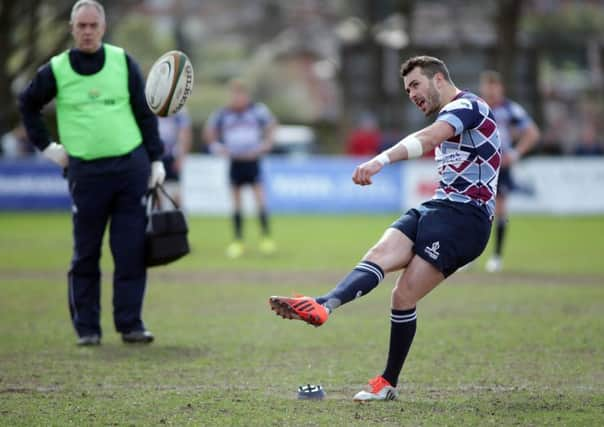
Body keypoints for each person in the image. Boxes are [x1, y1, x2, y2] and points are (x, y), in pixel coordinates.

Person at [269, 56, 501, 401]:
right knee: (379, 255)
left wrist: (380, 159)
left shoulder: (470, 106)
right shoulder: (451, 112)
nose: (411, 94)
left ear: (439, 79)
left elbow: (429, 137)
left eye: (416, 85)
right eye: (407, 89)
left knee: (402, 294)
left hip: (467, 219)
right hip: (438, 208)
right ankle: (322, 305)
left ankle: (387, 383)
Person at [18, 0, 165, 346]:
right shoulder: (56, 69)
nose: (86, 31)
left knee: (130, 251)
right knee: (86, 252)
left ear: (102, 28)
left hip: (130, 168)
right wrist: (48, 147)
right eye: (80, 25)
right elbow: (27, 103)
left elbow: (145, 114)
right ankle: (87, 329)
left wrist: (157, 160)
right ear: (72, 28)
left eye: (92, 25)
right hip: (86, 174)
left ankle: (131, 324)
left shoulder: (122, 61)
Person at [204, 79, 277, 258]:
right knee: (236, 203)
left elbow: (272, 126)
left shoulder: (257, 111)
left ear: (246, 96)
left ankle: (266, 239)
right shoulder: (223, 114)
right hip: (235, 161)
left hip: (252, 161)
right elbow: (209, 131)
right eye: (234, 95)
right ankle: (238, 241)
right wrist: (216, 146)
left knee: (260, 201)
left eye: (241, 95)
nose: (238, 98)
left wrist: (267, 144)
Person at [479, 70, 540, 273]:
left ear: (501, 88)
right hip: (478, 165)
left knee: (500, 209)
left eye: (494, 86)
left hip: (500, 165)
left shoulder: (510, 109)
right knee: (474, 209)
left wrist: (514, 154)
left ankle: (496, 256)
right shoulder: (477, 108)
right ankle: (469, 254)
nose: (491, 91)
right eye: (488, 87)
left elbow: (532, 133)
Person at [157, 108, 193, 204]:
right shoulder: (152, 105)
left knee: (175, 192)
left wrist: (181, 157)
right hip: (156, 156)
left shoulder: (179, 110)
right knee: (155, 192)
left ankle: (178, 217)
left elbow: (185, 134)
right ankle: (157, 218)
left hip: (172, 156)